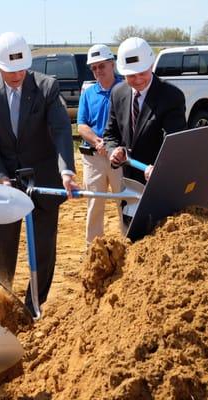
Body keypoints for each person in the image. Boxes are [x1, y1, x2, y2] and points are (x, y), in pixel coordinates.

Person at [0, 32, 79, 316]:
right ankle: (0, 304)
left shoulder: (47, 87)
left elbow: (60, 130)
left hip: (44, 179)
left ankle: (34, 305)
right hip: (5, 182)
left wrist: (66, 170)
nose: (18, 74)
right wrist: (0, 177)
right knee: (0, 246)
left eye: (22, 68)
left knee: (43, 249)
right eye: (10, 70)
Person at [104, 37, 186, 183]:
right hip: (128, 180)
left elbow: (176, 142)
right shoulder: (118, 93)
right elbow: (111, 134)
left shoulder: (171, 96)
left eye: (142, 73)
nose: (138, 79)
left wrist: (159, 167)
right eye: (131, 75)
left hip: (161, 180)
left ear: (151, 65)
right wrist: (114, 151)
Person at [77, 44, 124, 248]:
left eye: (101, 66)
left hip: (119, 156)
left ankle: (131, 243)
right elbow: (81, 125)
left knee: (125, 202)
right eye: (94, 68)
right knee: (94, 202)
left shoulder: (125, 89)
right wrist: (97, 142)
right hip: (93, 158)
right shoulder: (88, 93)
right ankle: (93, 249)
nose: (98, 71)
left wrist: (114, 146)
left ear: (112, 64)